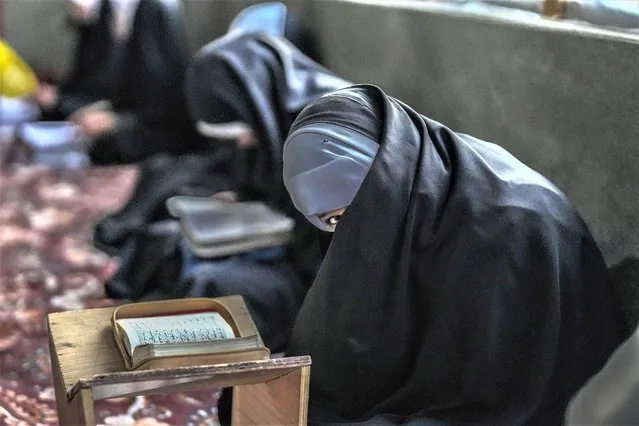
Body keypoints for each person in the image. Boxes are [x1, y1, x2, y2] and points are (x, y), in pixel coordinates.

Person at [281, 84, 630, 425]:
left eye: (351, 213)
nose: (347, 234)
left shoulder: (508, 230)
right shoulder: (411, 199)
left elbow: (503, 398)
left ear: (387, 173)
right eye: (331, 221)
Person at [102, 32, 351, 354]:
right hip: (277, 241)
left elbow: (334, 249)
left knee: (210, 282)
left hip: (319, 282)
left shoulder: (328, 133)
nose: (244, 143)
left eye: (242, 131)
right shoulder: (269, 113)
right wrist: (243, 206)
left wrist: (268, 232)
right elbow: (261, 182)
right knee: (168, 237)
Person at [37, 0, 202, 164]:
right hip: (125, 122)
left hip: (158, 138)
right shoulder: (104, 14)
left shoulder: (153, 11)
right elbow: (97, 85)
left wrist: (115, 122)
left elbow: (166, 107)